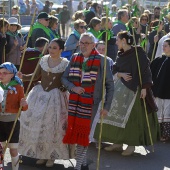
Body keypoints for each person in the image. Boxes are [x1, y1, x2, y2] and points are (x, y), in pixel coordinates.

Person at [94, 31, 159, 156]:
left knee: (132, 118)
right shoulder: (121, 54)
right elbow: (115, 69)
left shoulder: (139, 54)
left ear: (124, 40)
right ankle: (117, 142)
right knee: (113, 113)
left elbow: (146, 71)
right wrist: (120, 74)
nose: (116, 42)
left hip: (135, 90)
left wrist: (145, 88)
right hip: (120, 88)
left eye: (118, 40)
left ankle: (131, 145)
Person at [61, 33, 114, 170]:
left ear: (93, 45)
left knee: (85, 134)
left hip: (93, 103)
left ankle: (78, 166)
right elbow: (64, 78)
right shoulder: (74, 57)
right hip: (75, 102)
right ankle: (83, 162)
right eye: (81, 43)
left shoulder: (103, 60)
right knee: (76, 133)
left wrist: (107, 107)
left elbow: (110, 85)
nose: (83, 46)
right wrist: (74, 87)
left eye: (86, 43)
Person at [18, 38, 69, 168]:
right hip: (40, 95)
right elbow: (35, 76)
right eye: (50, 47)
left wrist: (66, 88)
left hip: (56, 97)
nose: (51, 50)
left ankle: (51, 156)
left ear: (61, 50)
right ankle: (41, 154)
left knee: (53, 127)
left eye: (54, 48)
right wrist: (23, 76)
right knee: (37, 124)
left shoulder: (65, 64)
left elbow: (67, 81)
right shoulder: (43, 60)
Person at [0, 62, 28, 170]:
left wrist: (24, 105)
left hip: (13, 122)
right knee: (0, 149)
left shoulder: (18, 87)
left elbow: (24, 108)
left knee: (13, 150)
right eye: (0, 73)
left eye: (4, 73)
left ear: (12, 74)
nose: (1, 75)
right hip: (0, 122)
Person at [150, 38, 170, 142]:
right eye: (163, 45)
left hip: (168, 93)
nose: (163, 47)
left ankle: (166, 135)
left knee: (167, 113)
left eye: (166, 46)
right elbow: (150, 71)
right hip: (158, 91)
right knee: (158, 112)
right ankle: (157, 134)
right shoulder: (159, 60)